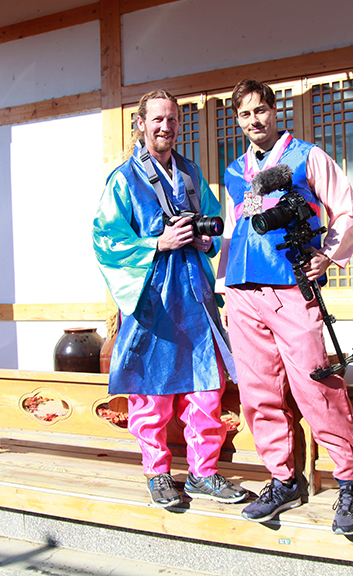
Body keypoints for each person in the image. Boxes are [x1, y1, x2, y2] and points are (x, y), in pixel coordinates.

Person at [216, 80, 353, 535]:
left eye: (260, 110)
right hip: (243, 291)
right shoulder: (235, 170)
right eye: (245, 114)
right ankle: (283, 479)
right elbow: (235, 230)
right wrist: (224, 288)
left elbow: (346, 208)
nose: (254, 120)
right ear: (237, 120)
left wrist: (329, 255)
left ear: (274, 109)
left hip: (291, 286)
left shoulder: (307, 156)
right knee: (258, 391)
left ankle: (349, 480)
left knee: (315, 382)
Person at [92, 89, 247, 510]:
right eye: (157, 119)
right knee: (152, 391)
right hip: (152, 298)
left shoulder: (190, 174)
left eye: (172, 119)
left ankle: (203, 473)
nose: (166, 127)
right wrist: (157, 243)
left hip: (194, 294)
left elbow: (215, 223)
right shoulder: (123, 179)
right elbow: (106, 239)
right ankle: (157, 472)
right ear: (141, 124)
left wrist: (202, 239)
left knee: (206, 388)